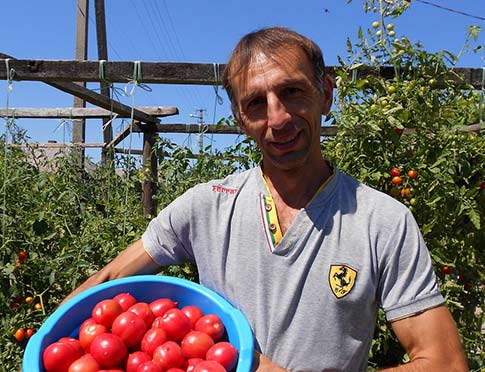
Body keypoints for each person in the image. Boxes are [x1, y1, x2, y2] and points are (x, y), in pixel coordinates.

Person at [65, 27, 468, 372]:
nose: (277, 118)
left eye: (292, 91)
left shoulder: (382, 220)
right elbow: (107, 282)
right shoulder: (206, 206)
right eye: (256, 103)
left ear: (325, 93)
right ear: (240, 119)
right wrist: (52, 342)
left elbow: (444, 362)